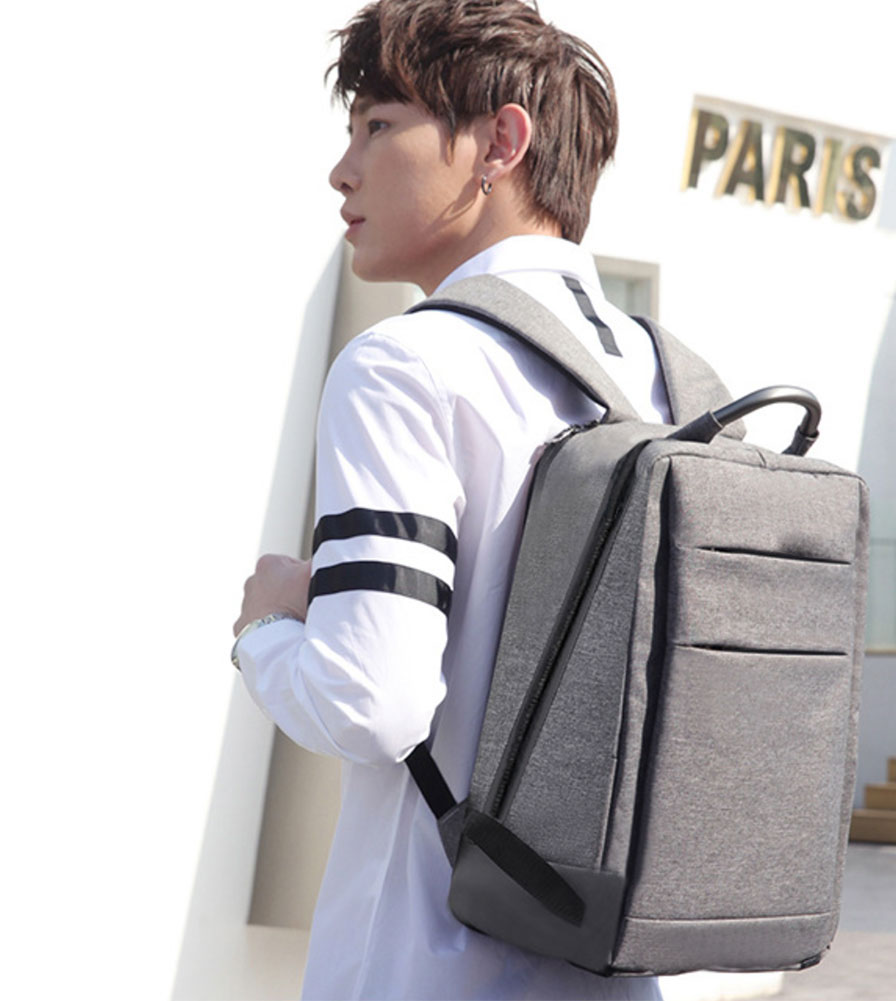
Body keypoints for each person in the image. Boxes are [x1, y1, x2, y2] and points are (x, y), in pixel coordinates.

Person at [232, 1, 668, 997]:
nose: (342, 170)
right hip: (610, 962)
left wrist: (265, 628)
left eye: (378, 126)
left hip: (428, 958)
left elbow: (368, 702)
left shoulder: (404, 364)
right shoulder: (669, 381)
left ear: (499, 144)